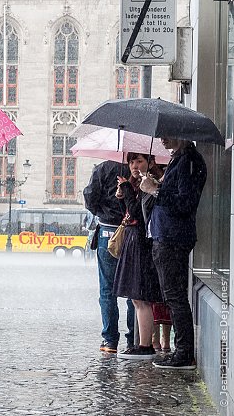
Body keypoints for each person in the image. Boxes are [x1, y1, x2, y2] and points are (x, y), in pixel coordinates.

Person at [140, 138, 206, 370]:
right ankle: (181, 352)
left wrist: (156, 189)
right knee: (172, 296)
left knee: (175, 297)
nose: (162, 139)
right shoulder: (178, 159)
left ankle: (184, 353)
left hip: (173, 238)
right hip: (165, 236)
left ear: (182, 132)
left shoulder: (188, 161)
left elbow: (185, 203)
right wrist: (157, 183)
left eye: (167, 133)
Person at [113, 153, 165, 360]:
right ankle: (143, 343)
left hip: (142, 243)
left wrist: (126, 189)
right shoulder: (136, 184)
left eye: (139, 161)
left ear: (149, 163)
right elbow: (127, 214)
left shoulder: (149, 184)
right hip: (133, 240)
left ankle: (146, 345)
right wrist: (122, 195)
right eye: (131, 162)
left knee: (141, 296)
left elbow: (138, 215)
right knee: (136, 297)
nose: (134, 166)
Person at [84, 160, 135, 354]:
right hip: (131, 230)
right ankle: (134, 338)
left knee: (107, 289)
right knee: (133, 289)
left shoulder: (103, 168)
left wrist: (103, 212)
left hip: (108, 231)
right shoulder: (138, 165)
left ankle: (110, 340)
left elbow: (89, 197)